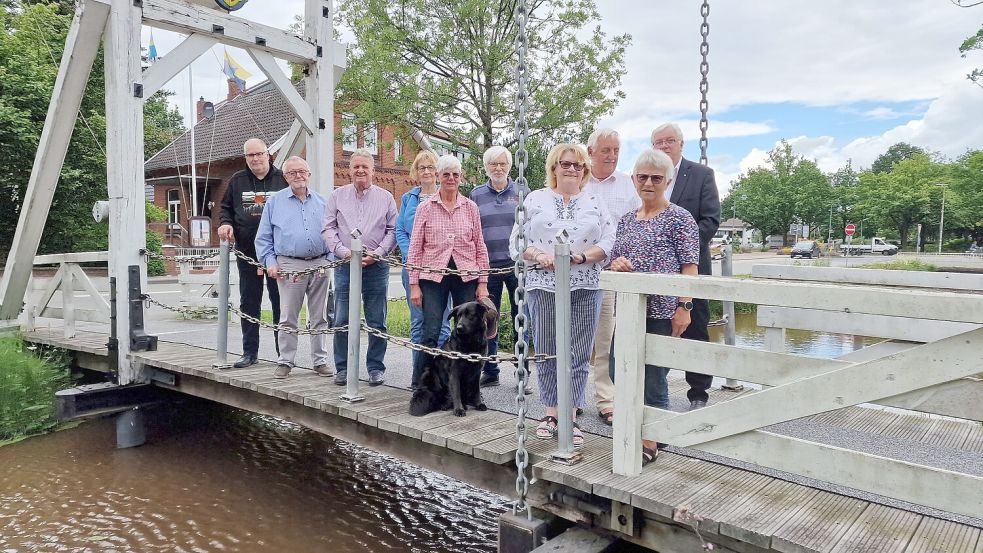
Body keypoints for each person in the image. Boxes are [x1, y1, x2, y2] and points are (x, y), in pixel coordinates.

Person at [510, 143, 615, 449]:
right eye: (566, 164)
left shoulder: (594, 200)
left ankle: (570, 414)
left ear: (585, 171)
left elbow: (609, 239)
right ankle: (551, 412)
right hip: (543, 283)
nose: (572, 169)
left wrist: (582, 258)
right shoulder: (535, 199)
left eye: (578, 165)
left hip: (585, 284)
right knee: (547, 348)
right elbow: (517, 241)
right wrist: (538, 254)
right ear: (554, 167)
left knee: (580, 353)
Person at [608, 148, 699, 465]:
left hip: (662, 311)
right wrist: (616, 263)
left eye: (656, 178)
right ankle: (641, 428)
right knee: (617, 369)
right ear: (634, 179)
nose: (648, 183)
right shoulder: (625, 221)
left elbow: (690, 268)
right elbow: (614, 259)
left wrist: (684, 306)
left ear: (667, 181)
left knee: (655, 379)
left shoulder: (679, 218)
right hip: (630, 311)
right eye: (643, 176)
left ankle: (651, 440)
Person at [651, 123, 721, 410]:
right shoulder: (649, 176)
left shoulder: (701, 175)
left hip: (692, 267)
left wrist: (681, 250)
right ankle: (655, 392)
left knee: (695, 329)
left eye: (670, 141)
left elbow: (711, 220)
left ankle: (698, 393)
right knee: (657, 328)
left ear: (681, 144)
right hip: (656, 271)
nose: (665, 146)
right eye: (659, 142)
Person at [407, 154, 490, 387]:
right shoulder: (425, 207)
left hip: (466, 275)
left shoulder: (470, 207)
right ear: (438, 176)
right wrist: (414, 284)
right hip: (433, 277)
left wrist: (482, 282)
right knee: (431, 331)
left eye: (455, 174)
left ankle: (467, 388)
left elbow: (479, 245)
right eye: (446, 174)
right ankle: (422, 383)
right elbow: (415, 247)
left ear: (460, 177)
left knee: (470, 333)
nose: (451, 178)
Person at [323, 148, 397, 386]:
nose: (360, 170)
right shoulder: (337, 196)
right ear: (350, 170)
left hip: (376, 266)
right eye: (356, 166)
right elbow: (328, 228)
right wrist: (343, 252)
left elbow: (393, 230)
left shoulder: (386, 197)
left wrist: (379, 253)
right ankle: (343, 368)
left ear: (373, 170)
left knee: (377, 319)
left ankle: (375, 367)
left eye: (365, 166)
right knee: (342, 318)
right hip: (345, 265)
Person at [254, 157, 332, 379]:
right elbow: (263, 238)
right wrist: (270, 262)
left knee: (320, 315)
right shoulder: (274, 202)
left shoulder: (322, 202)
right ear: (285, 177)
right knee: (288, 315)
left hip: (320, 263)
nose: (298, 176)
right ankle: (286, 361)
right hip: (289, 264)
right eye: (292, 173)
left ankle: (320, 361)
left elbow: (332, 232)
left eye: (302, 171)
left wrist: (329, 258)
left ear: (309, 174)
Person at [584, 128, 640, 425]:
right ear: (590, 152)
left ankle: (606, 400)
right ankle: (569, 398)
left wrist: (624, 257)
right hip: (578, 273)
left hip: (608, 274)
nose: (612, 155)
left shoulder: (628, 186)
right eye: (606, 150)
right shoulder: (578, 181)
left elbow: (633, 227)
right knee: (572, 337)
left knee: (604, 338)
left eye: (616, 150)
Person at [218, 138, 287, 368]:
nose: (255, 159)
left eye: (259, 154)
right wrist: (225, 223)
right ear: (246, 158)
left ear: (268, 154)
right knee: (249, 303)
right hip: (247, 254)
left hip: (277, 256)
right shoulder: (237, 181)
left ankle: (283, 355)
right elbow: (225, 208)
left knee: (280, 304)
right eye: (250, 156)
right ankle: (249, 353)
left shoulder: (283, 179)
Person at [470, 145, 526, 388]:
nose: (498, 168)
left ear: (509, 166)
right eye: (493, 164)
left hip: (517, 266)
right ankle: (490, 370)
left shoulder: (522, 190)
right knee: (487, 320)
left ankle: (522, 372)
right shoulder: (476, 194)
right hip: (488, 266)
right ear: (486, 168)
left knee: (520, 318)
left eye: (502, 163)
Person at [395, 150, 451, 381]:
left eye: (430, 167)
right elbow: (401, 230)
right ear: (415, 173)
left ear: (437, 172)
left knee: (443, 324)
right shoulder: (409, 199)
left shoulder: (447, 195)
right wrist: (412, 257)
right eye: (422, 168)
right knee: (418, 323)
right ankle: (420, 376)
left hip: (442, 268)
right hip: (414, 269)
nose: (426, 171)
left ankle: (441, 376)